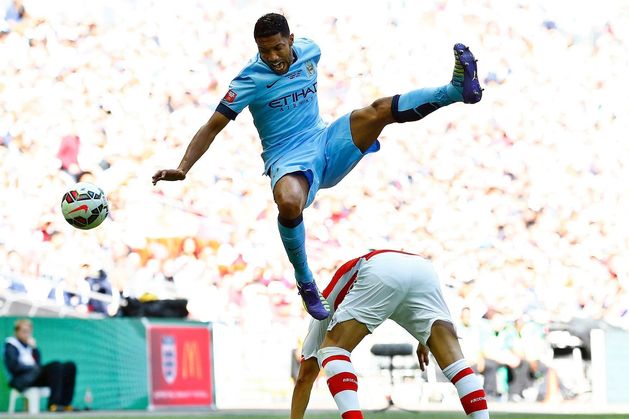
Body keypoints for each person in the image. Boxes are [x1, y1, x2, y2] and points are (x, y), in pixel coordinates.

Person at [151, 13, 483, 320]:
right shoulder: (248, 80)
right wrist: (183, 168)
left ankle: (455, 91)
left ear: (291, 39)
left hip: (325, 141)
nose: (273, 58)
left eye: (278, 48)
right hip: (287, 158)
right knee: (289, 202)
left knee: (377, 111)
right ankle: (306, 281)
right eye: (264, 51)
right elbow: (212, 126)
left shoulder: (311, 51)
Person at [282, 250, 505, 419]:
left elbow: (305, 377)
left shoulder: (320, 312)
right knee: (458, 366)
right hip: (423, 269)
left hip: (380, 269)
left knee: (333, 349)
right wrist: (423, 340)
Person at [3, 319, 77, 412]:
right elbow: (14, 367)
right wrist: (32, 368)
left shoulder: (29, 346)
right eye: (24, 331)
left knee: (70, 366)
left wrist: (34, 349)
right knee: (55, 365)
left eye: (29, 332)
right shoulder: (11, 345)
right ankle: (53, 404)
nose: (27, 334)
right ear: (16, 332)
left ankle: (65, 403)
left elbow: (38, 362)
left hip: (35, 376)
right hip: (23, 379)